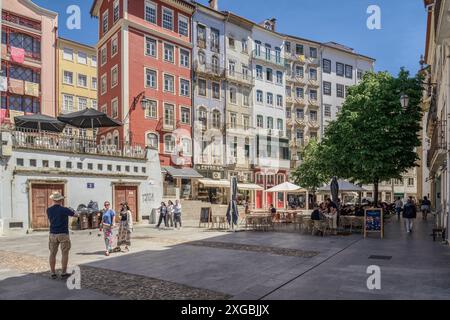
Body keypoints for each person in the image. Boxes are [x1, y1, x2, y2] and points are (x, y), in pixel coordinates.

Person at [47, 192, 78, 280]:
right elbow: (76, 214)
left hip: (52, 233)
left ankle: (53, 272)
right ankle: (63, 272)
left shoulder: (49, 210)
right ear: (60, 200)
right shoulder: (64, 209)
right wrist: (72, 210)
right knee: (65, 253)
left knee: (52, 253)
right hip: (63, 233)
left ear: (53, 200)